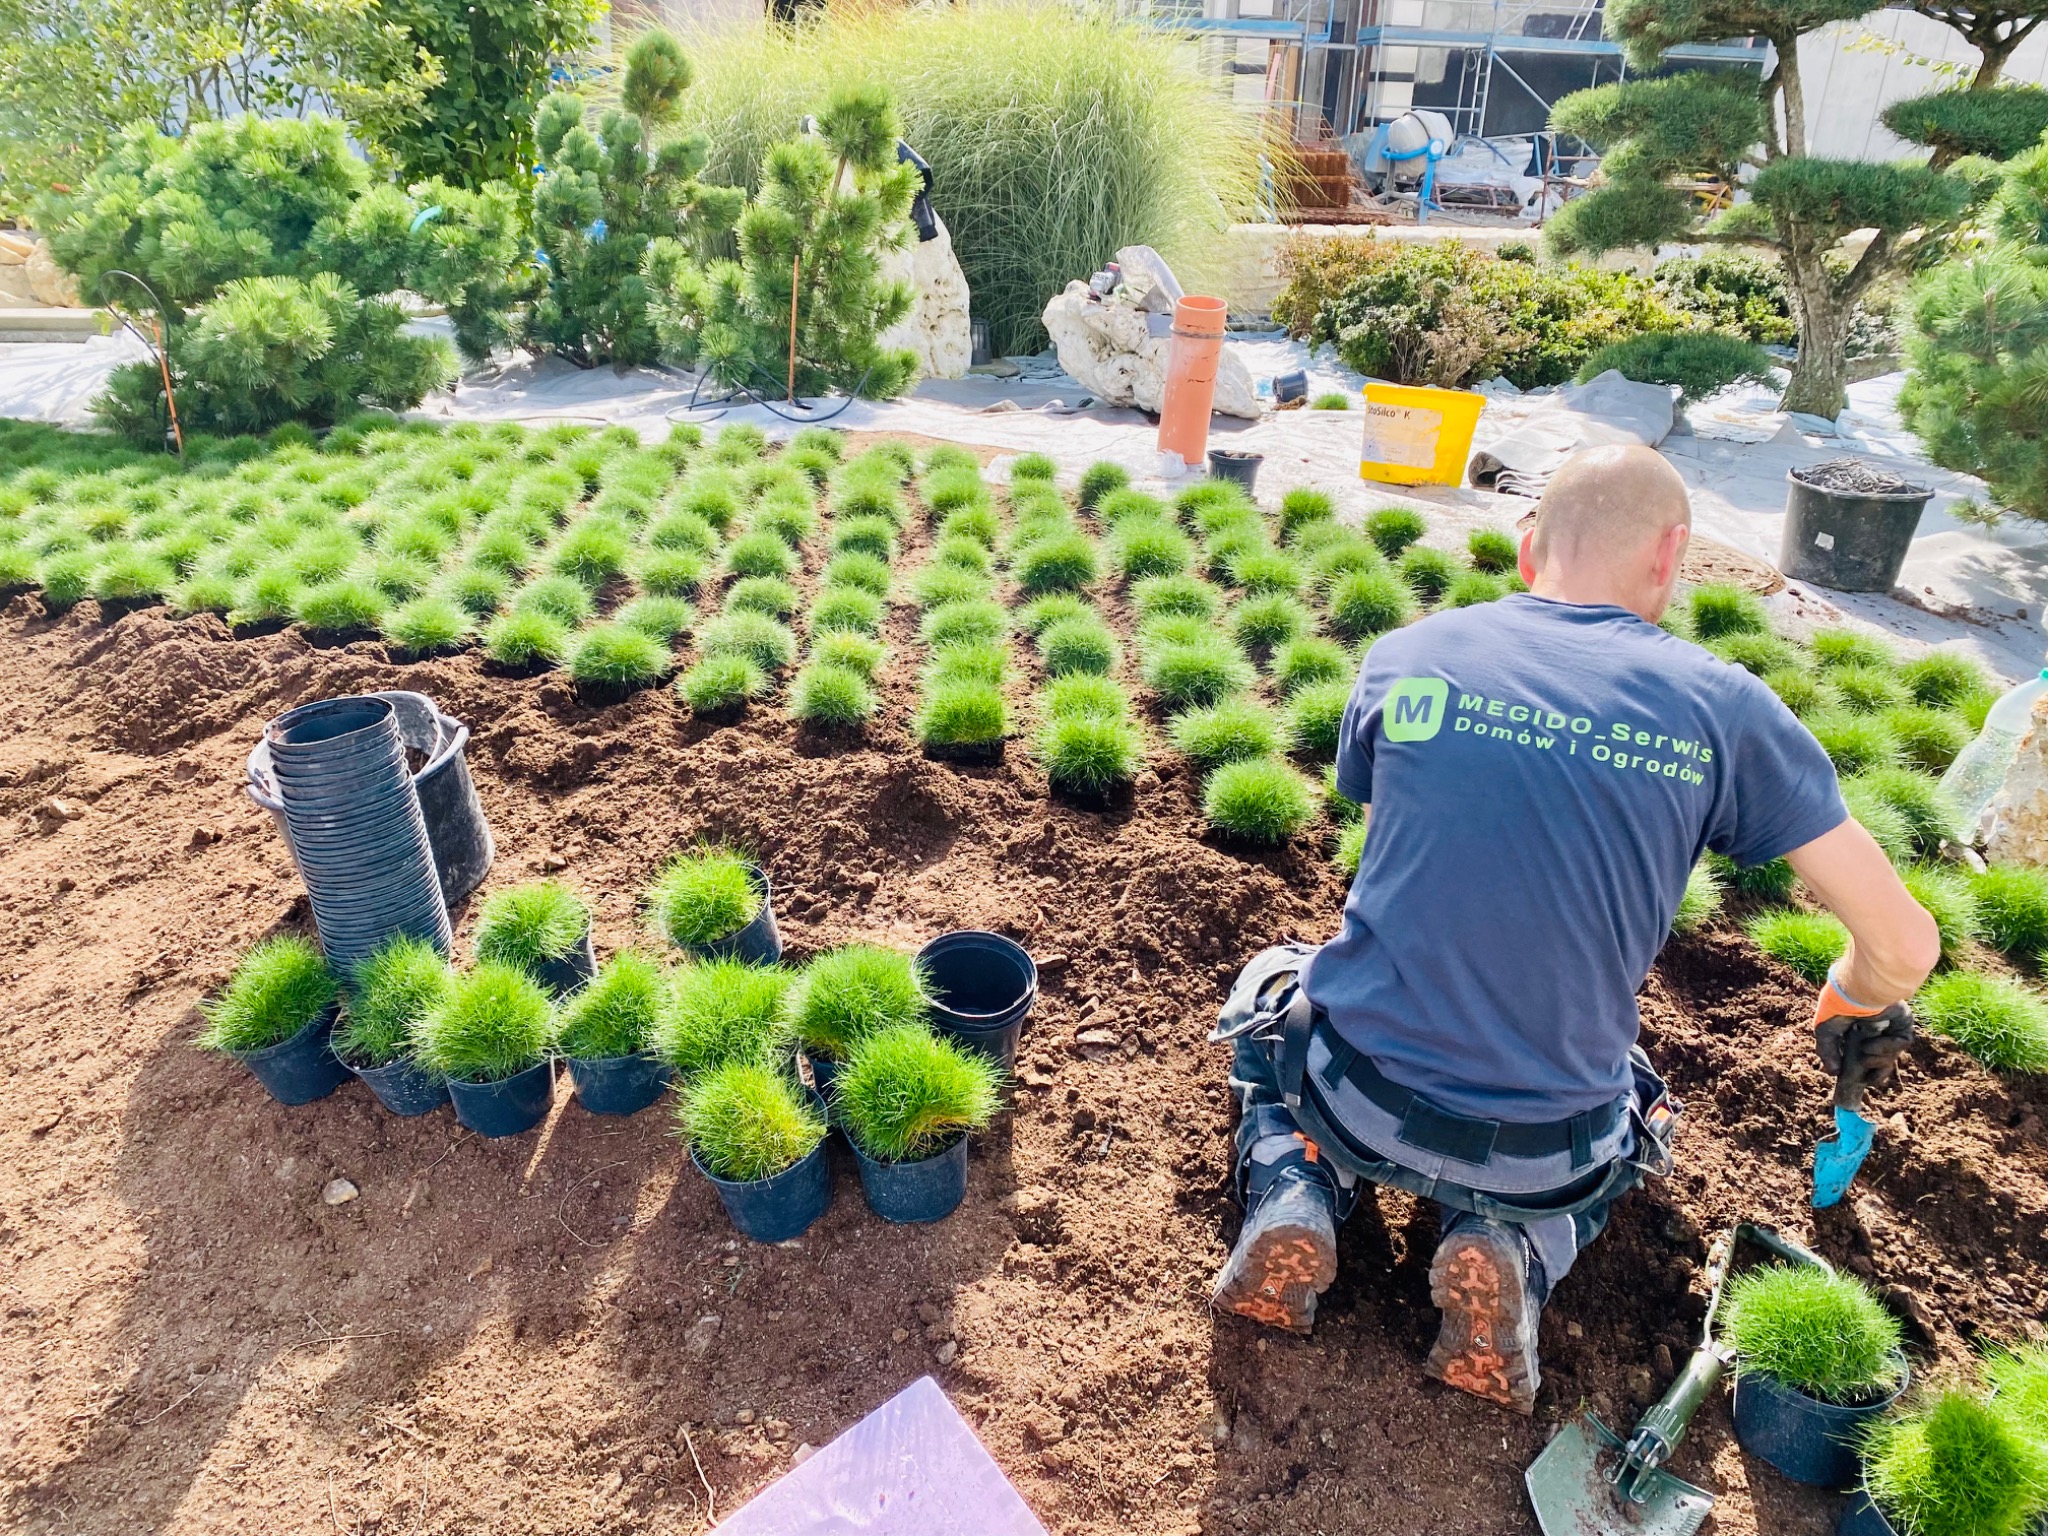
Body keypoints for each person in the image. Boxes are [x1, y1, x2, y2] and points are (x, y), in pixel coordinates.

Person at [1209, 445, 1939, 1413]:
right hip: (1543, 1147)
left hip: (1358, 1095)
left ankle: (1295, 1187)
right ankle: (1512, 1243)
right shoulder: (1723, 711)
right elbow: (1905, 947)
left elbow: (1398, 863)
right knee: (1638, 1101)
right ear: (1669, 556)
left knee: (1273, 979)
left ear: (1527, 551)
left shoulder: (1411, 655)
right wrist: (1851, 991)